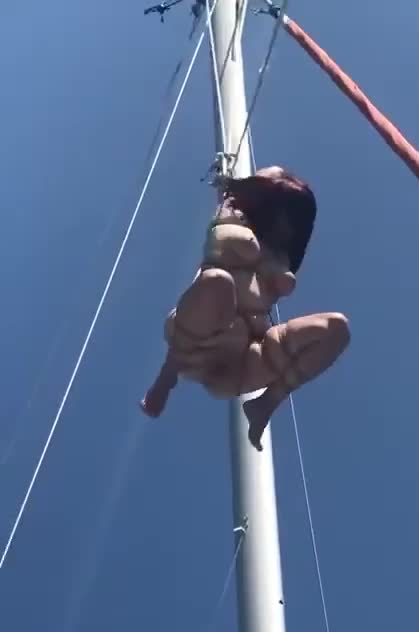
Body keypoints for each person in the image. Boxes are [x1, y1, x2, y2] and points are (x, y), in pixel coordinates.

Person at [140, 166, 350, 450]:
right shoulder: (230, 217)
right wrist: (236, 191)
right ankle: (168, 374)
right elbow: (230, 243)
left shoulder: (282, 256)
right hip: (198, 346)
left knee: (336, 328)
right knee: (217, 282)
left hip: (245, 361)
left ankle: (266, 404)